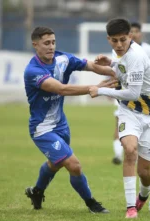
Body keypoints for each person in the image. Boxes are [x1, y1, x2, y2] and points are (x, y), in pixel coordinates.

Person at [24, 26, 116, 213]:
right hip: (42, 129)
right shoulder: (33, 71)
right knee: (74, 165)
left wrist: (115, 72)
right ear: (35, 45)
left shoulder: (63, 58)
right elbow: (61, 89)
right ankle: (92, 204)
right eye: (46, 43)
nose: (51, 46)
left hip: (61, 125)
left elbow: (90, 65)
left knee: (56, 163)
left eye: (53, 42)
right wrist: (95, 88)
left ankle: (36, 191)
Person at [89, 18, 150, 218]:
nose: (119, 45)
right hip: (129, 111)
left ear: (131, 36)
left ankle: (144, 194)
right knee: (129, 150)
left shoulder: (137, 55)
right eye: (114, 41)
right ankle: (131, 207)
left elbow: (132, 92)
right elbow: (123, 71)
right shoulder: (120, 53)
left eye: (123, 40)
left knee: (145, 172)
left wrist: (102, 90)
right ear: (108, 39)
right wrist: (112, 63)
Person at [110, 21, 150, 165]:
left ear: (140, 33)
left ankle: (139, 156)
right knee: (119, 124)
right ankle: (118, 155)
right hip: (126, 94)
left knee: (141, 138)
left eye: (136, 31)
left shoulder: (148, 50)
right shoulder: (118, 49)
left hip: (145, 99)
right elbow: (116, 69)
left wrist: (142, 67)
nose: (134, 34)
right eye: (131, 31)